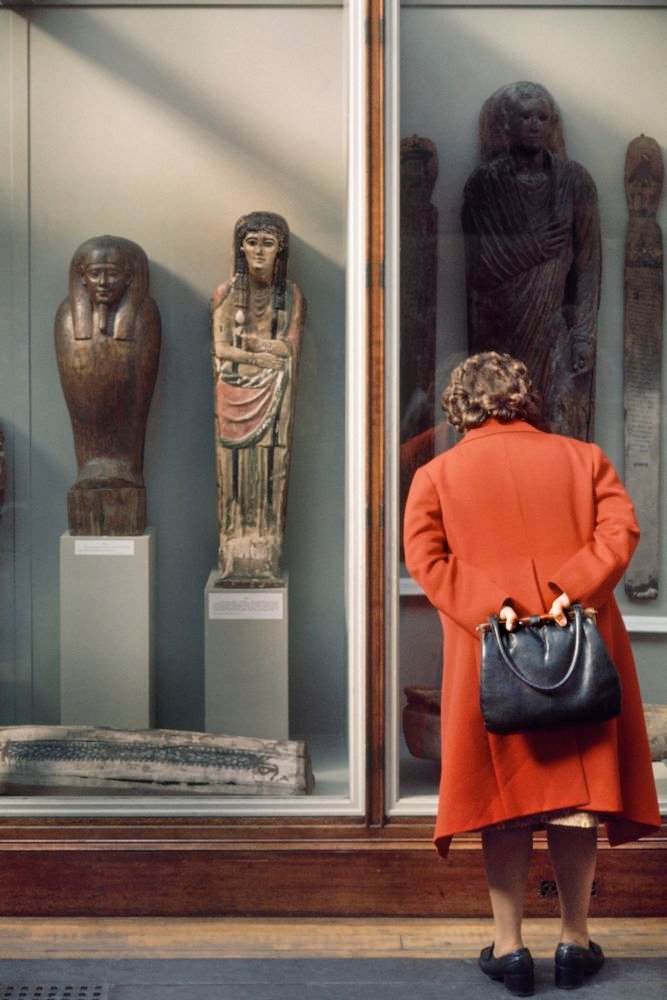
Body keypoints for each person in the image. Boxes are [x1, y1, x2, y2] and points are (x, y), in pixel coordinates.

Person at [403, 352, 660, 995]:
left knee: (505, 803)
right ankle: (574, 941)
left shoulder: (435, 476)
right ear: (525, 397)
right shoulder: (585, 459)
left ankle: (511, 948)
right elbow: (621, 529)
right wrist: (568, 591)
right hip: (578, 653)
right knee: (577, 802)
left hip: (492, 655)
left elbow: (427, 560)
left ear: (460, 406)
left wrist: (498, 610)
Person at [462, 82, 601, 441]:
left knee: (557, 423)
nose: (535, 124)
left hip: (554, 328)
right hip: (502, 327)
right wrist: (536, 248)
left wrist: (584, 333)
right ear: (505, 124)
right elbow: (483, 269)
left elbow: (587, 266)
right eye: (525, 116)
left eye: (542, 116)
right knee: (505, 425)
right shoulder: (485, 184)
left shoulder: (575, 182)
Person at [210, 211, 305, 583]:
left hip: (276, 393)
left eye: (268, 243)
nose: (259, 252)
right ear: (241, 248)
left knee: (270, 467)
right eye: (252, 243)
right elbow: (221, 348)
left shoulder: (291, 295)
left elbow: (291, 349)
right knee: (234, 470)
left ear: (280, 249)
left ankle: (265, 542)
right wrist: (259, 355)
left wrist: (258, 347)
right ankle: (234, 539)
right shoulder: (226, 294)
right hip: (232, 391)